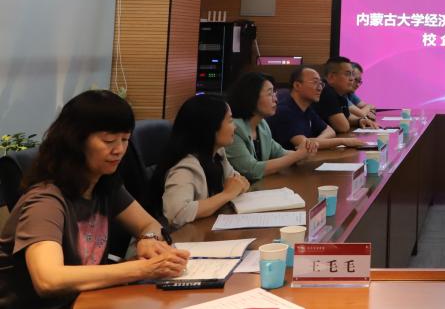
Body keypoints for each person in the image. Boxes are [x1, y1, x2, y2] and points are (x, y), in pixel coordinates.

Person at [0, 90, 189, 308]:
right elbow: (48, 280)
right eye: (109, 140)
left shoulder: (103, 185)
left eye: (125, 139)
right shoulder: (45, 202)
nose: (119, 150)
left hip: (87, 300)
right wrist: (143, 269)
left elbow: (148, 224)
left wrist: (148, 238)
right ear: (75, 142)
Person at [152, 95, 251, 229]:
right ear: (210, 127)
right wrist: (227, 194)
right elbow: (177, 214)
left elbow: (237, 182)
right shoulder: (184, 168)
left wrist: (236, 187)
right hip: (180, 238)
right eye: (230, 121)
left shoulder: (217, 154)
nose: (235, 127)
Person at [225, 72, 317, 181]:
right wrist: (298, 155)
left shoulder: (262, 125)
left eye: (274, 93)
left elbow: (281, 153)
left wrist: (306, 151)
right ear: (251, 97)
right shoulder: (233, 129)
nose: (276, 99)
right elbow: (251, 170)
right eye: (270, 94)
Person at [265, 67, 369, 150]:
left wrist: (315, 142)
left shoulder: (306, 108)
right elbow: (303, 143)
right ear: (297, 85)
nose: (320, 88)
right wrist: (343, 141)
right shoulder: (284, 110)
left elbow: (329, 131)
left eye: (321, 84)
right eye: (315, 82)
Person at [315, 57, 378, 134]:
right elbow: (343, 127)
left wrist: (359, 121)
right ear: (331, 77)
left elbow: (347, 117)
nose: (352, 79)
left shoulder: (341, 94)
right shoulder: (326, 92)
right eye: (347, 74)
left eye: (352, 74)